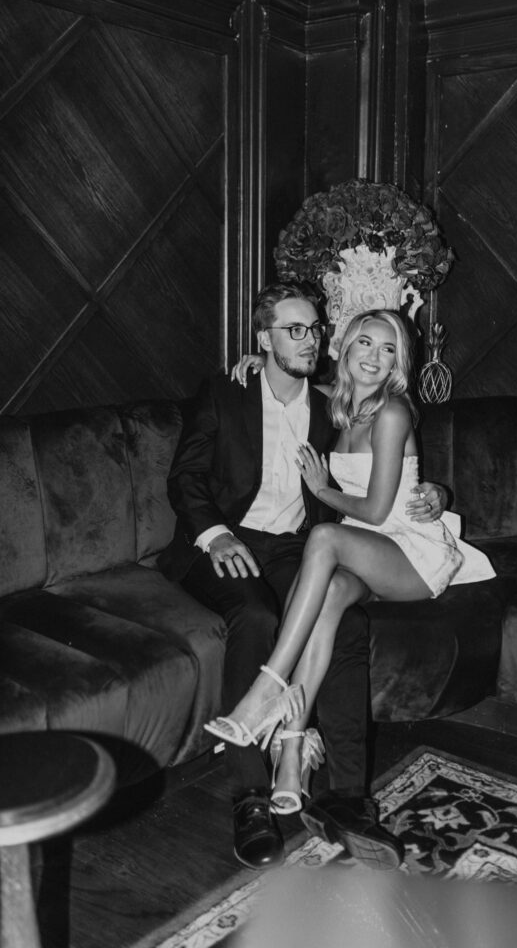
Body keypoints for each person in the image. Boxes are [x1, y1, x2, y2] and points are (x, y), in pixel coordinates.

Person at [158, 282, 447, 872]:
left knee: (346, 624)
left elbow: (387, 470)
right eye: (294, 330)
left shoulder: (327, 405)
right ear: (264, 340)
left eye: (314, 329)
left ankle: (347, 799)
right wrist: (216, 535)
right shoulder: (225, 392)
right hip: (227, 540)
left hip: (296, 545)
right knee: (256, 614)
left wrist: (437, 493)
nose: (309, 339)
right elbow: (184, 479)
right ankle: (251, 798)